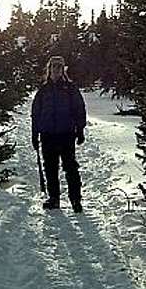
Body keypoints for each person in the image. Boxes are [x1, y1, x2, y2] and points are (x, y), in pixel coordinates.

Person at [31, 55, 87, 212]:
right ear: (49, 70)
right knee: (50, 168)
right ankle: (54, 198)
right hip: (47, 135)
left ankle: (76, 200)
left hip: (66, 134)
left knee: (70, 167)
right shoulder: (43, 91)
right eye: (53, 67)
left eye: (59, 67)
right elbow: (36, 114)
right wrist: (35, 135)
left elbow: (79, 109)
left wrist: (80, 129)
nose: (56, 70)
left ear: (63, 70)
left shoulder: (70, 89)